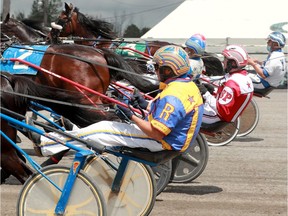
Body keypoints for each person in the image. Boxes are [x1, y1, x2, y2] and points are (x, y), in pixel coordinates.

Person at [27, 45, 204, 157]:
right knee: (101, 128)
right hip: (171, 139)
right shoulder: (185, 86)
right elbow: (169, 113)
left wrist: (131, 116)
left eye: (158, 67)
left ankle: (45, 143)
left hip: (161, 141)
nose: (155, 70)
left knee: (100, 131)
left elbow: (157, 132)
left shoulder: (173, 94)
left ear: (167, 70)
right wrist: (143, 104)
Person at [197, 45, 254, 124]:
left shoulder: (232, 83)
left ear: (233, 63)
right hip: (226, 116)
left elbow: (221, 109)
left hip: (216, 117)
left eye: (225, 59)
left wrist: (206, 94)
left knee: (185, 109)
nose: (223, 62)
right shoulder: (244, 77)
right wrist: (213, 91)